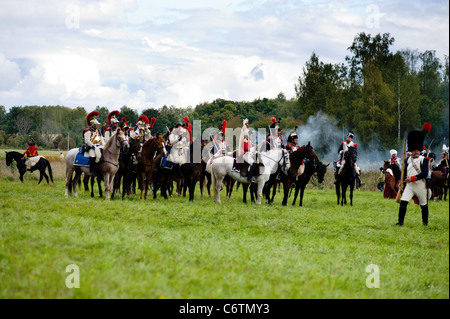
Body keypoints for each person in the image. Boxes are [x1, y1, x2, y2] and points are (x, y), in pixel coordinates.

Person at [395, 122, 432, 226]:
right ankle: (400, 222)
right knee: (403, 202)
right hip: (410, 185)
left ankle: (425, 223)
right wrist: (399, 181)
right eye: (414, 150)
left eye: (417, 150)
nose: (416, 152)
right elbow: (404, 172)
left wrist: (413, 178)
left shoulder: (424, 159)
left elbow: (424, 173)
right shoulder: (407, 160)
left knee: (423, 205)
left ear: (420, 149)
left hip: (420, 185)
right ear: (411, 150)